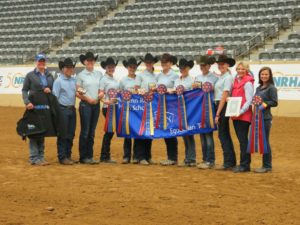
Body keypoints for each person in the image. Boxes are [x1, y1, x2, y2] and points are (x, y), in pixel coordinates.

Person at [21, 53, 54, 166]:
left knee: (42, 131)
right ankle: (34, 158)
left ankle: (41, 157)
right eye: (40, 61)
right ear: (36, 62)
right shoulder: (30, 75)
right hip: (34, 108)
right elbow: (24, 90)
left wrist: (50, 90)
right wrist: (27, 102)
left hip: (45, 108)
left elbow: (53, 89)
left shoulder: (49, 75)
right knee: (34, 131)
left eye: (43, 61)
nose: (41, 63)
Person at [76, 52, 103, 164]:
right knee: (85, 131)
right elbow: (78, 92)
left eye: (92, 60)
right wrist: (88, 99)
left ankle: (90, 155)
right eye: (88, 60)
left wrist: (100, 95)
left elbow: (102, 88)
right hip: (86, 105)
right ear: (85, 62)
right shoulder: (81, 75)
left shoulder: (99, 74)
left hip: (96, 105)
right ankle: (83, 156)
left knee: (91, 132)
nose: (90, 62)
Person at [194, 55, 218, 169]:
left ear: (209, 66)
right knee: (202, 134)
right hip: (199, 108)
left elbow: (215, 90)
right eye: (201, 65)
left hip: (209, 108)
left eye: (204, 65)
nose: (202, 67)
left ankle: (210, 160)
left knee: (208, 134)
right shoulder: (197, 77)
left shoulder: (214, 78)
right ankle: (205, 159)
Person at [135, 53, 159, 165]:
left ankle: (148, 156)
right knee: (141, 131)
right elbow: (136, 89)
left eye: (150, 62)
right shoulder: (140, 75)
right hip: (142, 105)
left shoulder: (156, 76)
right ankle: (140, 156)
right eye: (147, 62)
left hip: (152, 106)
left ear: (153, 63)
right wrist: (143, 93)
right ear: (145, 63)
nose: (149, 64)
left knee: (149, 130)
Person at [231, 62, 254, 173]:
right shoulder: (236, 81)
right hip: (236, 115)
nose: (240, 71)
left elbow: (249, 101)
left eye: (242, 69)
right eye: (238, 69)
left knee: (243, 141)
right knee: (242, 140)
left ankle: (244, 165)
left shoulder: (248, 83)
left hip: (243, 115)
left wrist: (240, 112)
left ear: (247, 70)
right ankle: (245, 164)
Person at [53, 58, 77, 165]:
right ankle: (62, 156)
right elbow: (55, 98)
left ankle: (68, 155)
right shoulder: (58, 81)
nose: (69, 69)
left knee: (71, 134)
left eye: (71, 67)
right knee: (63, 134)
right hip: (62, 109)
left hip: (72, 109)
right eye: (67, 67)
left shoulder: (73, 80)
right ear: (63, 69)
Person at [214, 54, 236, 170]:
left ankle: (228, 161)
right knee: (224, 133)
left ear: (227, 65)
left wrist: (218, 113)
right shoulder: (222, 76)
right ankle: (230, 161)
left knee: (223, 134)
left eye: (223, 63)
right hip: (221, 104)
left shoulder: (227, 77)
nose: (220, 65)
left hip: (223, 105)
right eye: (219, 64)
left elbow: (224, 95)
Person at [254, 67, 278, 173]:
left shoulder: (271, 88)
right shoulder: (258, 88)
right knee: (262, 141)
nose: (264, 76)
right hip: (257, 117)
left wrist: (264, 104)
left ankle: (267, 165)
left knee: (265, 141)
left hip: (266, 118)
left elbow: (274, 102)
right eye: (262, 74)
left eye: (266, 74)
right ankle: (265, 165)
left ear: (270, 76)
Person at [157, 53, 179, 166]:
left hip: (171, 105)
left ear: (170, 63)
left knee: (171, 130)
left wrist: (169, 90)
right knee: (166, 130)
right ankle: (171, 157)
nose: (163, 64)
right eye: (162, 62)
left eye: (166, 62)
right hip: (161, 105)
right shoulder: (159, 75)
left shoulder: (175, 75)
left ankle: (173, 157)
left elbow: (177, 88)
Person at [174, 58, 196, 167]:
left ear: (188, 68)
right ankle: (188, 157)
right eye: (181, 68)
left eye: (184, 68)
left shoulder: (192, 80)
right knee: (184, 134)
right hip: (179, 109)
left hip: (189, 109)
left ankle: (191, 158)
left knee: (189, 133)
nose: (182, 69)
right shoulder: (178, 80)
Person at [120, 57, 142, 164]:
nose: (132, 68)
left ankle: (136, 156)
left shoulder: (140, 79)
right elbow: (120, 92)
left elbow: (142, 92)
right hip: (127, 109)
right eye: (130, 67)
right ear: (127, 68)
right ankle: (126, 156)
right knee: (127, 132)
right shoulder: (123, 80)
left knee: (137, 132)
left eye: (134, 67)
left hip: (138, 109)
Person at [98, 57, 119, 163]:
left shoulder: (114, 79)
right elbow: (100, 93)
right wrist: (104, 101)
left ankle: (105, 155)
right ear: (105, 68)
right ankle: (104, 155)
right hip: (107, 108)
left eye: (112, 67)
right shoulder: (103, 79)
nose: (111, 68)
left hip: (114, 107)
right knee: (109, 132)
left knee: (110, 132)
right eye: (109, 67)